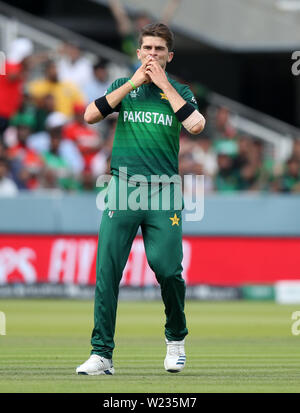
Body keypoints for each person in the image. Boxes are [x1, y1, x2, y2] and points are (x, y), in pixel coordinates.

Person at [76, 23, 205, 376]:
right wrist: (134, 83)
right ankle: (101, 354)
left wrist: (163, 84)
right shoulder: (123, 87)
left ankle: (175, 339)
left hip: (164, 191)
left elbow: (196, 125)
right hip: (123, 187)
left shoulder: (179, 91)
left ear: (169, 56)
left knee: (168, 271)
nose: (151, 55)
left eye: (158, 50)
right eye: (146, 48)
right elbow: (89, 116)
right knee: (107, 271)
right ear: (138, 53)